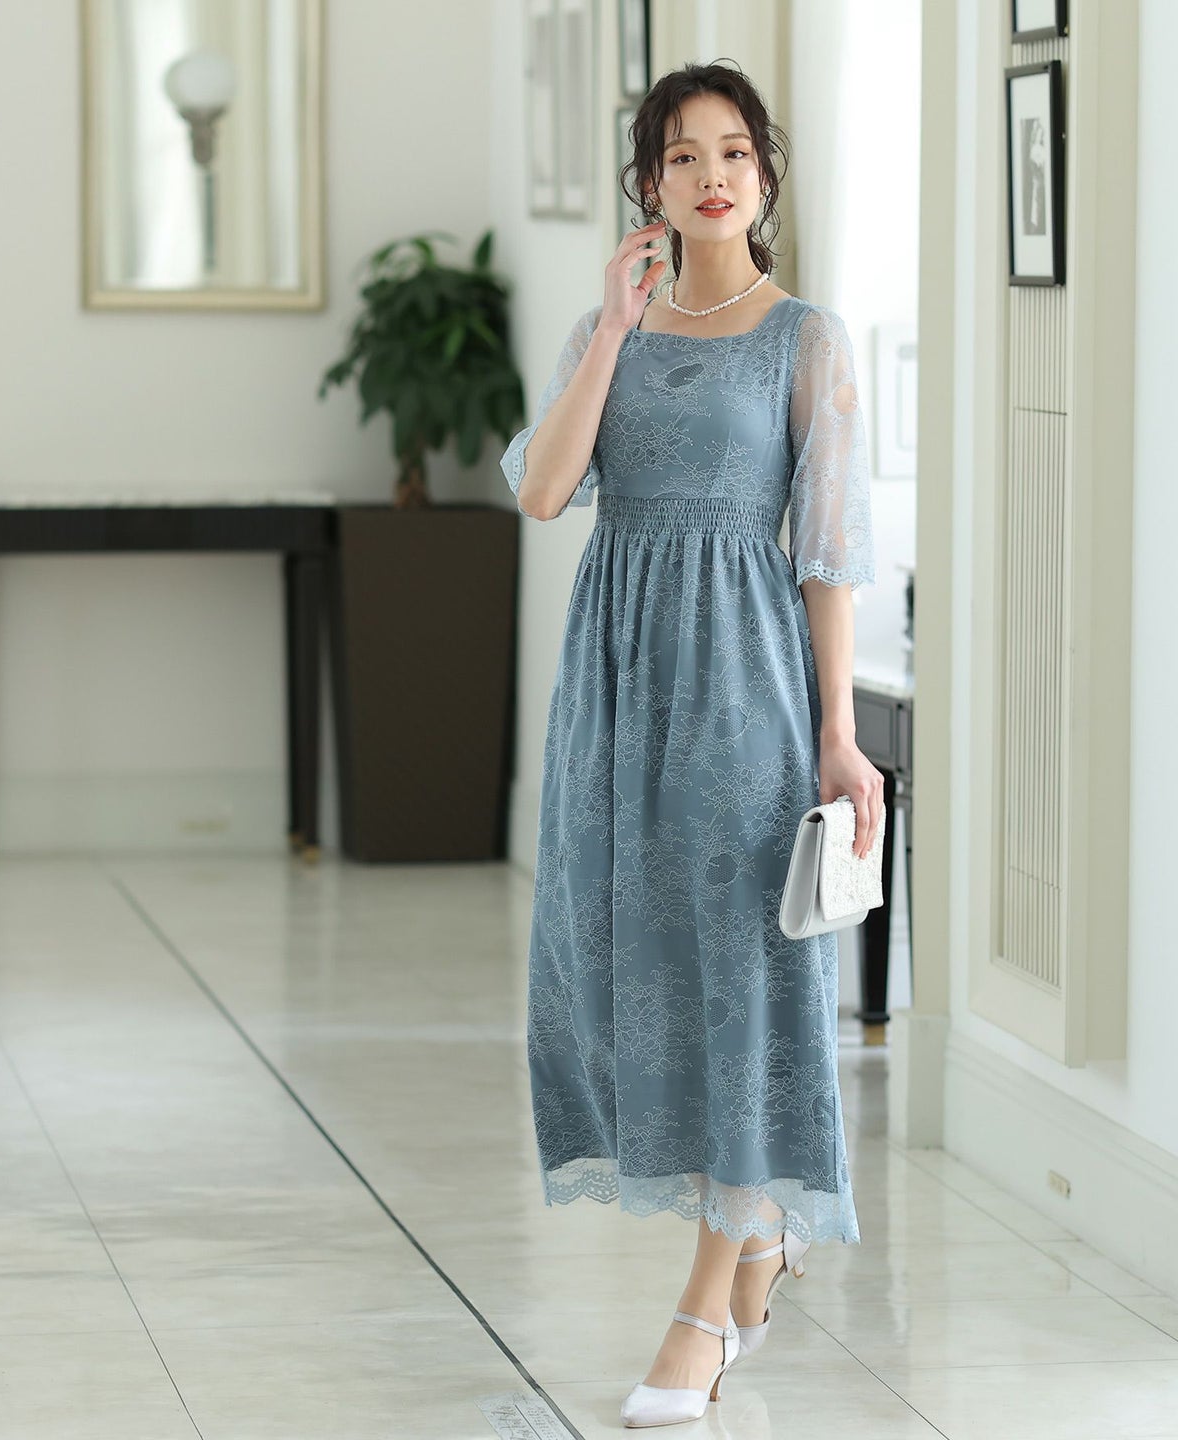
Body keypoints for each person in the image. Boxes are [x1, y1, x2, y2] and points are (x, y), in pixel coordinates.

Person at [500, 60, 882, 1428]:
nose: (710, 175)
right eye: (680, 156)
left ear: (764, 177)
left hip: (744, 688)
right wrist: (613, 328)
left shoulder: (807, 340)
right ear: (649, 186)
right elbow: (546, 491)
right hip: (613, 688)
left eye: (732, 152)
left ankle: (705, 1310)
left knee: (741, 981)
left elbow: (828, 552)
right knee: (624, 963)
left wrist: (839, 735)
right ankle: (759, 1233)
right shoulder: (605, 330)